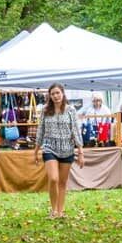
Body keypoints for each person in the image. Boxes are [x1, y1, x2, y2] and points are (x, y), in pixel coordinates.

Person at [33, 83, 84, 219]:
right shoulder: (45, 110)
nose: (56, 96)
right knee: (54, 179)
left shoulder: (71, 110)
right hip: (50, 147)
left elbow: (76, 131)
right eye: (53, 94)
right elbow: (40, 131)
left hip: (67, 149)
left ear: (62, 93)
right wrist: (36, 150)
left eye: (58, 93)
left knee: (62, 182)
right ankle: (53, 210)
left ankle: (60, 211)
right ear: (50, 96)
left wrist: (80, 152)